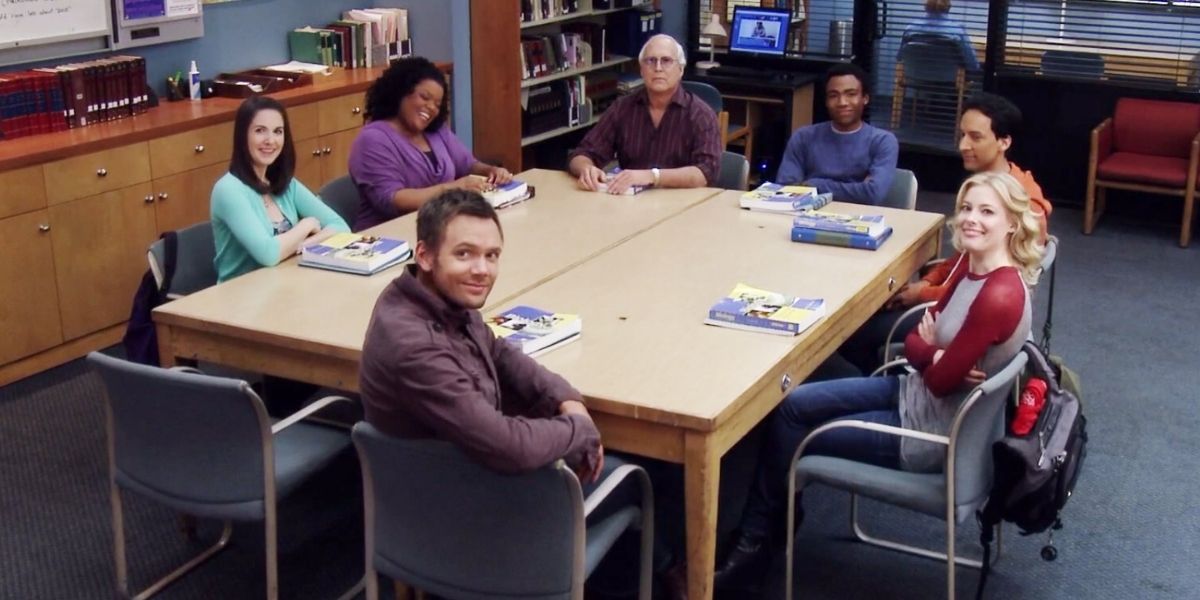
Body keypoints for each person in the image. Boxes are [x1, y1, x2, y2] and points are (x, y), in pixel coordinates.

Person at [713, 171, 1044, 592]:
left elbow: (939, 377)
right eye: (965, 208)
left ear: (1012, 223)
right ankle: (774, 524)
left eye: (986, 212)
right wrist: (929, 353)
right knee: (791, 404)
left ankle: (751, 544)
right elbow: (915, 341)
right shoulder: (971, 268)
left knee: (792, 436)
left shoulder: (998, 295)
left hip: (926, 434)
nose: (970, 220)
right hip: (912, 392)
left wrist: (927, 352)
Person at [839, 92, 1053, 375]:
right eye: (963, 135)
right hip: (951, 300)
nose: (963, 145)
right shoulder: (987, 187)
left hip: (964, 317)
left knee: (854, 332)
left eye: (976, 137)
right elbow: (961, 260)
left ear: (1004, 142)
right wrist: (925, 282)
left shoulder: (1022, 207)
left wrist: (921, 294)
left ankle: (864, 394)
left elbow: (986, 289)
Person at [348, 57, 513, 231]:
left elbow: (468, 165)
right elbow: (391, 200)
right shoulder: (373, 140)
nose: (431, 108)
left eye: (437, 104)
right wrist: (453, 189)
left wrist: (491, 171)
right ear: (401, 92)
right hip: (390, 237)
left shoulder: (437, 131)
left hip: (440, 228)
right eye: (424, 97)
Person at [211, 96, 349, 283]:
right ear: (243, 136)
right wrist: (306, 225)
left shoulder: (285, 183)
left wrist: (308, 243)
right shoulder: (228, 190)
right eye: (260, 131)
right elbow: (268, 254)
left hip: (284, 284)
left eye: (278, 131)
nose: (270, 140)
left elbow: (340, 226)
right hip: (239, 297)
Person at [568, 34, 721, 195]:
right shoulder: (623, 108)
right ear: (641, 70)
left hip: (682, 206)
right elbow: (582, 153)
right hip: (630, 204)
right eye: (651, 61)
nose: (658, 68)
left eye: (666, 61)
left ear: (681, 69)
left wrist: (652, 176)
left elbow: (706, 172)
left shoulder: (700, 115)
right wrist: (587, 169)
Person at [775, 63, 899, 205]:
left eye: (851, 94)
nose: (842, 102)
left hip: (859, 220)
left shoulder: (882, 141)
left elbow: (873, 194)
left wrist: (814, 184)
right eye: (834, 96)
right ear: (826, 101)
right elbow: (786, 189)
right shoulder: (803, 137)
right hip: (806, 216)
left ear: (865, 98)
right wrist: (856, 189)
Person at [898, 0, 980, 73]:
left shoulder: (910, 29)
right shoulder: (957, 32)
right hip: (948, 82)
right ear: (948, 7)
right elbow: (972, 65)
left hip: (915, 78)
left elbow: (900, 57)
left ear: (926, 7)